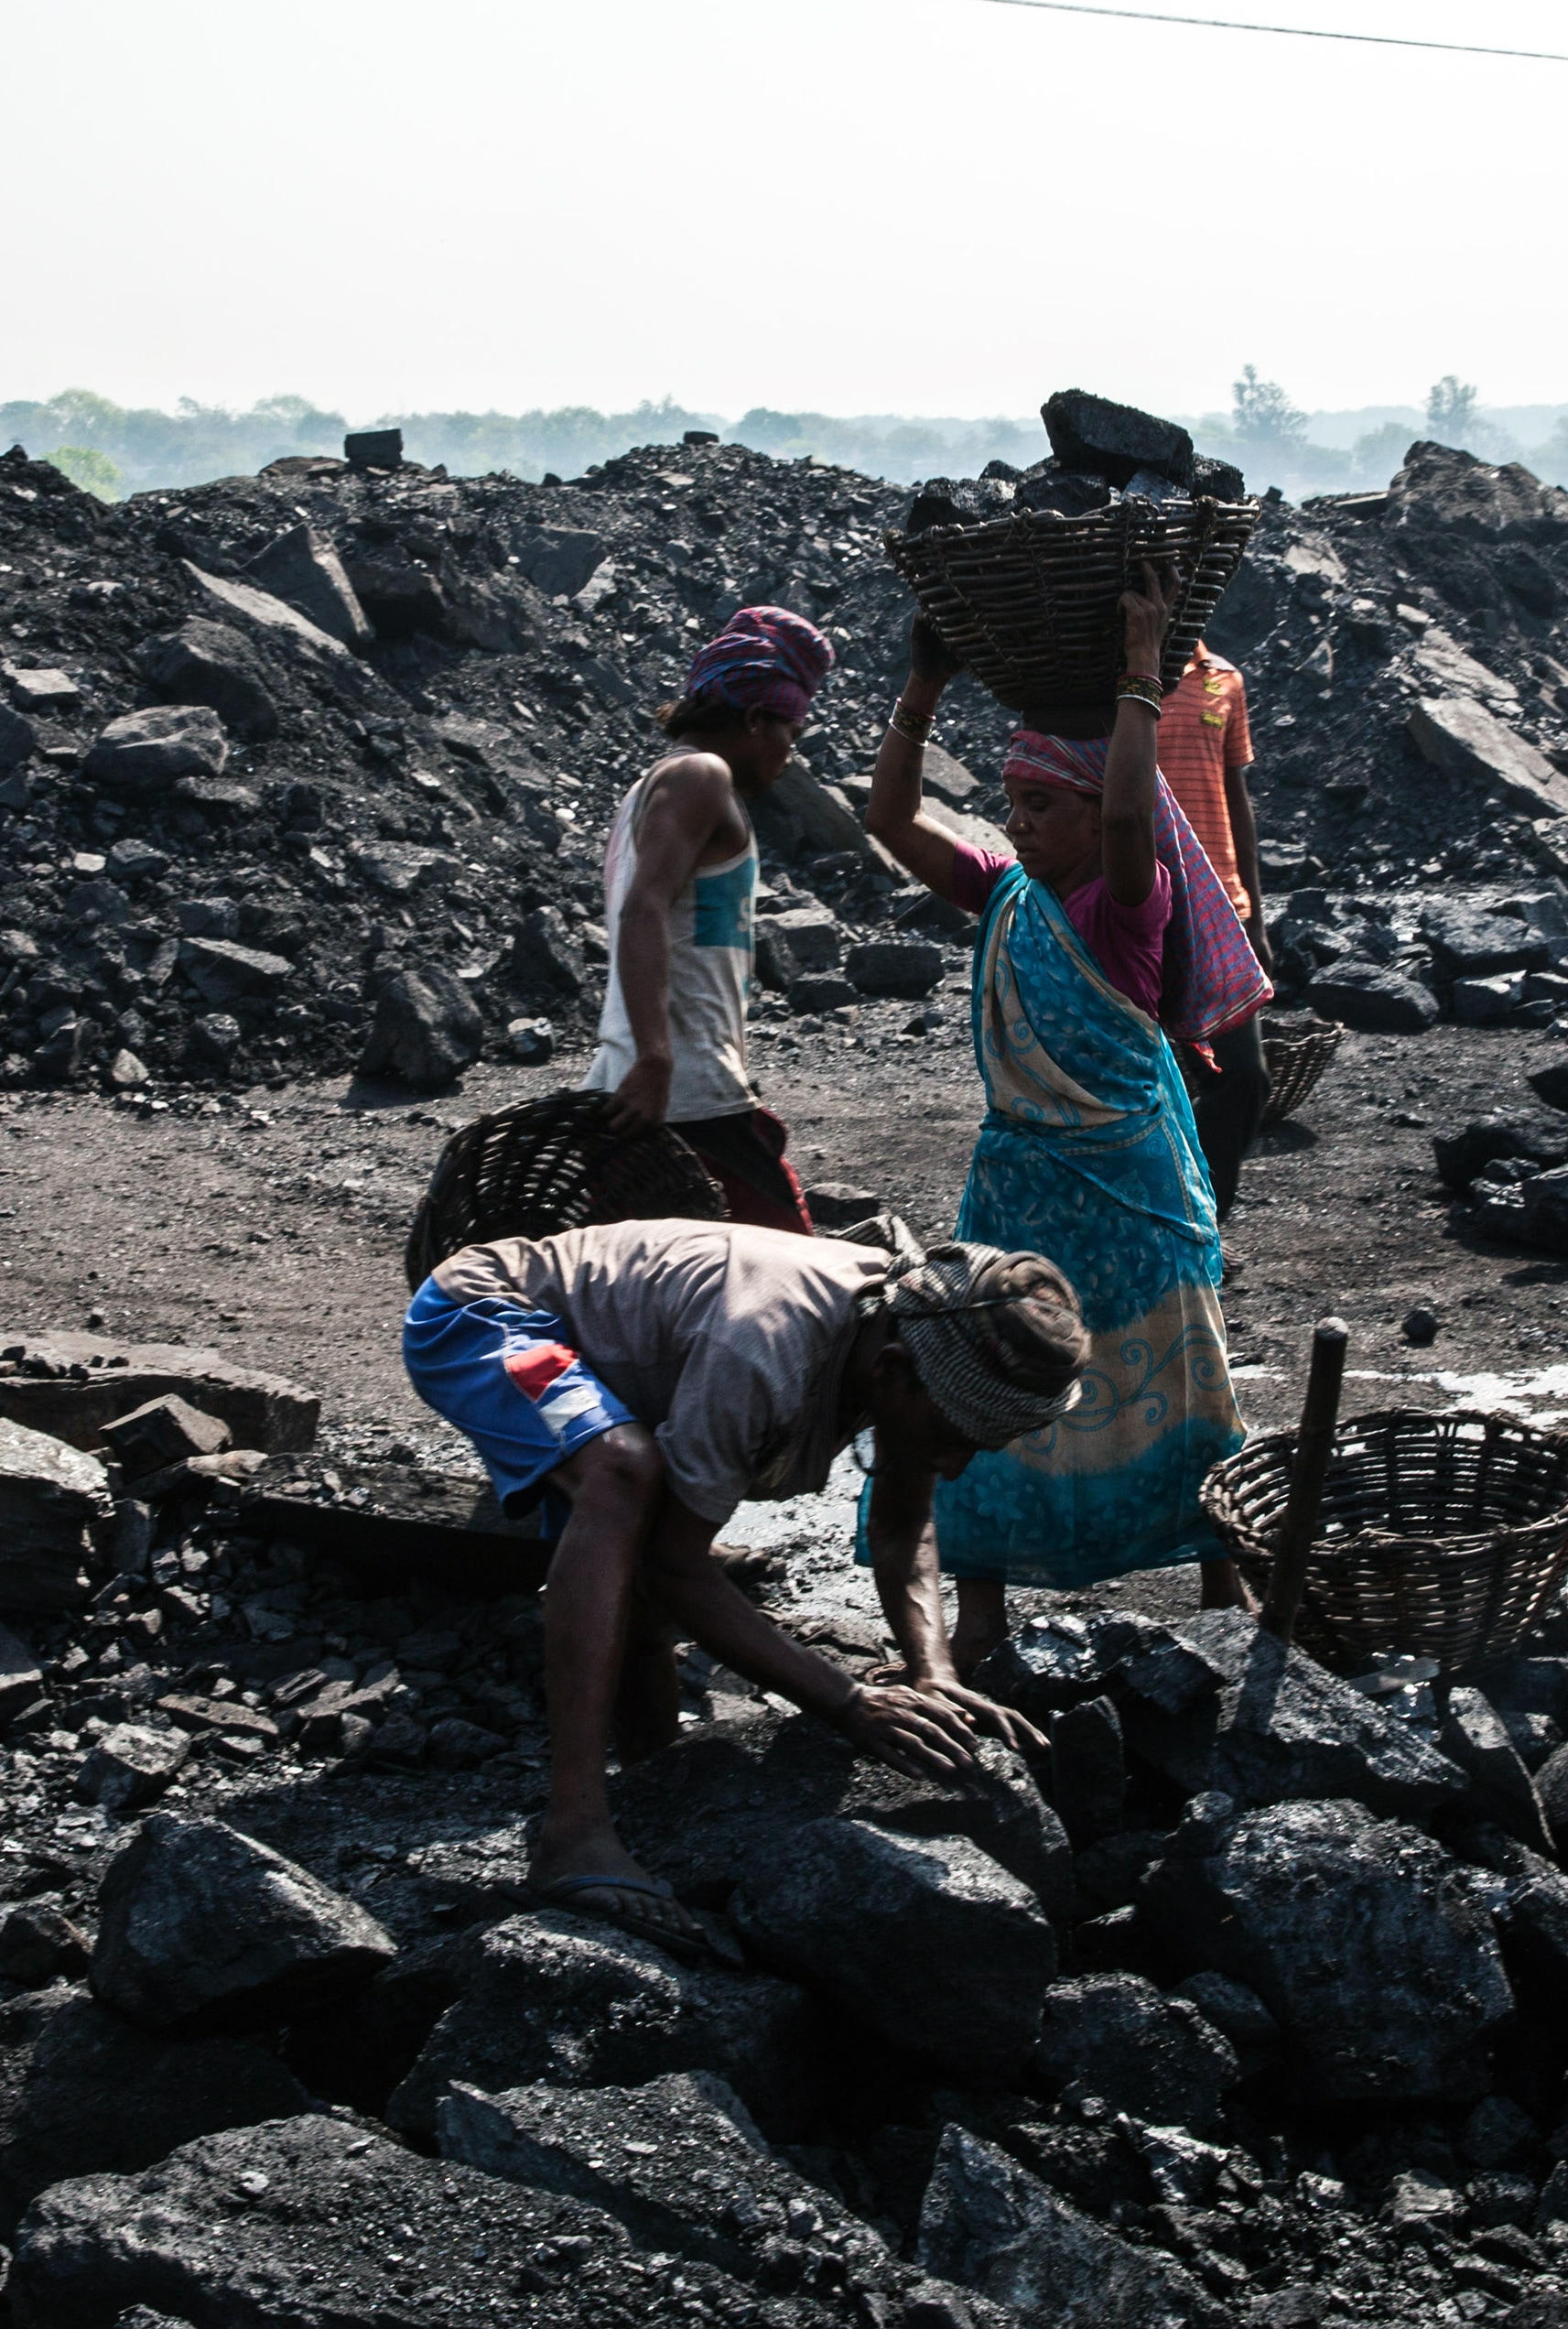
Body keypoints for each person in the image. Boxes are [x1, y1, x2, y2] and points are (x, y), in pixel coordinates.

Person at [404, 1216, 1085, 1955]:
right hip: (488, 1317)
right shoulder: (764, 1346)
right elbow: (677, 1567)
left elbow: (901, 1521)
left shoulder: (904, 1332)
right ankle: (572, 1832)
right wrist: (847, 1702)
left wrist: (934, 1671)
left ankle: (655, 1797)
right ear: (891, 1372)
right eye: (952, 1438)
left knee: (637, 1563)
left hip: (608, 1357)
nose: (953, 1464)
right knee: (623, 1472)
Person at [861, 571, 1260, 1671]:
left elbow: (1135, 813)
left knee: (1179, 1375)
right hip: (1021, 1184)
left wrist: (1138, 670)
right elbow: (887, 819)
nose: (1020, 824)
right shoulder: (1005, 893)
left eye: (1043, 806)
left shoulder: (1124, 904)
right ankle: (981, 1607)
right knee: (987, 1372)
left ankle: (1219, 1576)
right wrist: (920, 691)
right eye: (1013, 804)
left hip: (1129, 1183)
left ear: (1094, 813)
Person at [584, 605, 833, 1231]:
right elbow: (644, 908)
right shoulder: (700, 773)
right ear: (754, 719)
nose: (791, 753)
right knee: (791, 1265)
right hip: (689, 1091)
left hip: (665, 1087)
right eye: (792, 732)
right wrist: (656, 1058)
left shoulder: (656, 787)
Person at [1154, 639, 1274, 1216]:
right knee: (1140, 1082)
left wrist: (1256, 916)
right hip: (1137, 902)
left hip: (1219, 907)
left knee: (1245, 1077)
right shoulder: (1108, 675)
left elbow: (1235, 797)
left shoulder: (1224, 678)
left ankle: (1203, 1224)